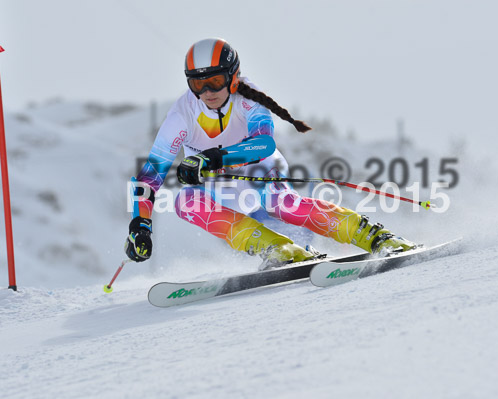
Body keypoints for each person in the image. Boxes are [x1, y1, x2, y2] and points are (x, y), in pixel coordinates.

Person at [125, 38, 416, 269]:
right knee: (185, 201)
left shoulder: (248, 96)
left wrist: (211, 157)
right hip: (222, 186)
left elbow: (263, 144)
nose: (207, 91)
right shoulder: (182, 113)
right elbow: (150, 175)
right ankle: (277, 248)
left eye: (214, 81)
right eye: (197, 83)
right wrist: (141, 225)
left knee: (283, 204)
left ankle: (376, 237)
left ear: (233, 77)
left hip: (262, 170)